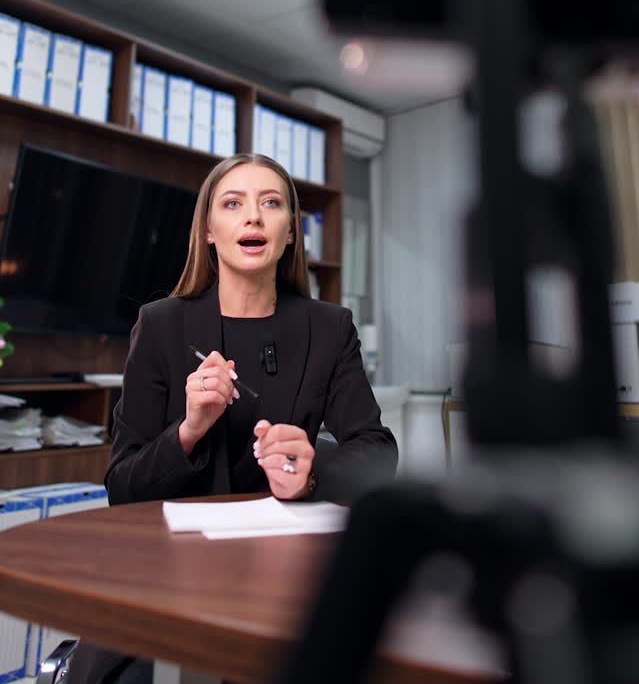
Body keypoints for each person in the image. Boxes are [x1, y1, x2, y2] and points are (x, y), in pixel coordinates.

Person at [67, 151, 397, 684]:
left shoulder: (330, 327)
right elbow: (122, 485)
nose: (253, 216)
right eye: (233, 203)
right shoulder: (161, 325)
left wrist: (310, 473)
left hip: (285, 571)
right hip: (172, 568)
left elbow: (378, 453)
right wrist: (189, 429)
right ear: (210, 231)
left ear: (290, 232)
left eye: (271, 203)